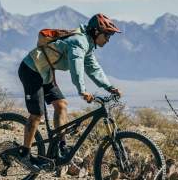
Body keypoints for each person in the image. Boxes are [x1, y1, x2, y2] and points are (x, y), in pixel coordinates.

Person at [13, 13, 122, 172]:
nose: (108, 40)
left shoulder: (88, 45)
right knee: (37, 114)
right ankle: (24, 154)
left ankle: (60, 146)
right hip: (31, 70)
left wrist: (109, 87)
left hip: (45, 73)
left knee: (61, 105)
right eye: (107, 35)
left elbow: (93, 68)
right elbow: (76, 67)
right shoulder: (79, 42)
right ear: (96, 32)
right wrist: (82, 91)